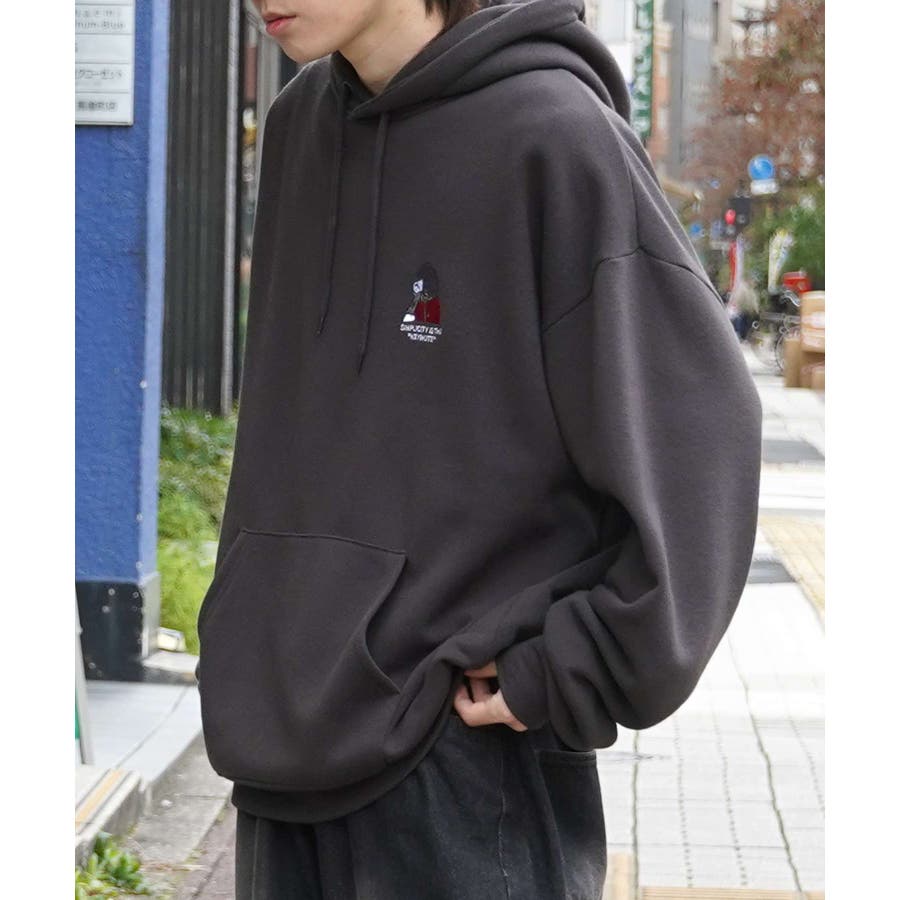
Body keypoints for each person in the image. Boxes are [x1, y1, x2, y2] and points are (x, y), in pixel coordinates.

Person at [194, 1, 763, 897]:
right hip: (279, 744)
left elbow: (703, 431)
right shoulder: (300, 124)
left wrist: (573, 666)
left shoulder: (555, 136)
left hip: (462, 765)